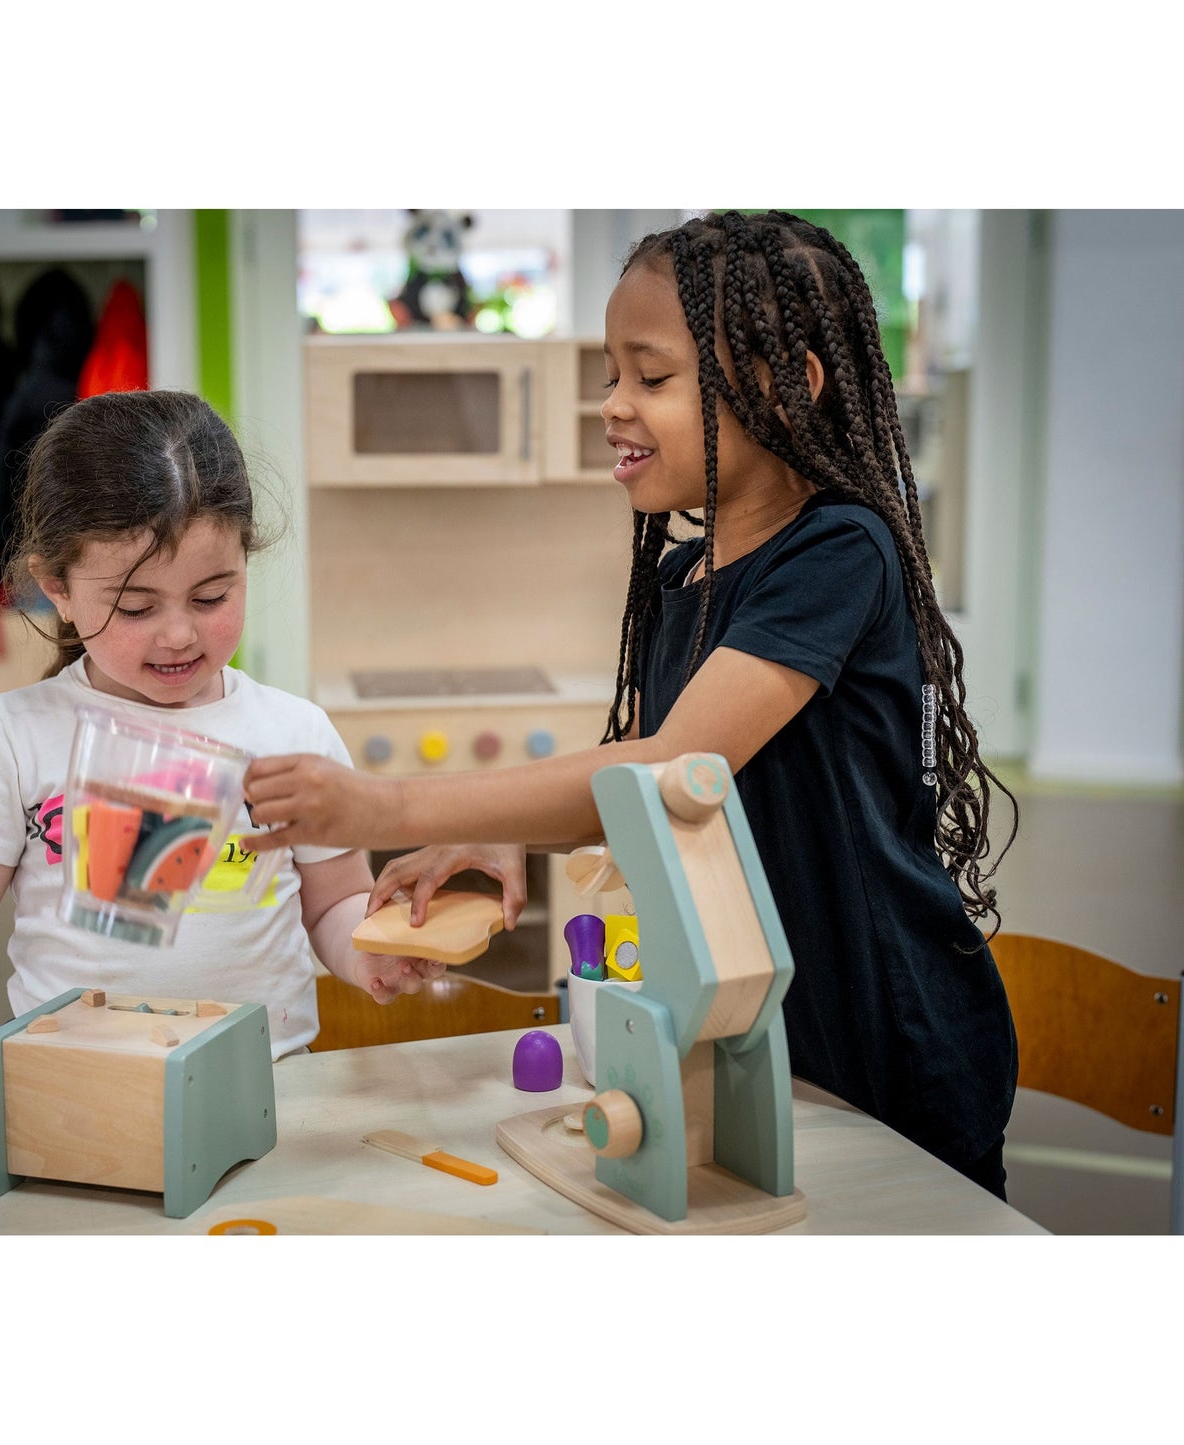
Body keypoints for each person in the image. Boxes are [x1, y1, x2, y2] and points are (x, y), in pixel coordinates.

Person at [244, 211, 1020, 1198]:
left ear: (788, 387)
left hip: (885, 1036)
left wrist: (392, 810)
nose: (610, 405)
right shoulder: (686, 580)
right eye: (609, 375)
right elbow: (661, 791)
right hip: (763, 1045)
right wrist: (513, 838)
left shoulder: (837, 552)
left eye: (648, 378)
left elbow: (669, 767)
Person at [0, 389, 441, 1078]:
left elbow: (335, 900)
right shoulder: (18, 732)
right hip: (70, 1082)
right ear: (56, 586)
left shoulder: (293, 731)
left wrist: (365, 948)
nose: (178, 634)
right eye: (135, 606)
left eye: (211, 597)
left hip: (257, 1080)